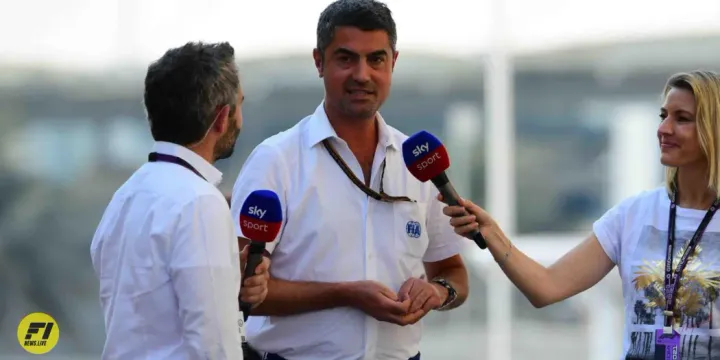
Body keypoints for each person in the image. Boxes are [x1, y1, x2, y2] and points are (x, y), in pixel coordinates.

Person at [229, 1, 469, 359]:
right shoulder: (275, 160)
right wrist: (346, 294)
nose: (362, 74)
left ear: (393, 63)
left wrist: (437, 292)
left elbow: (453, 273)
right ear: (318, 62)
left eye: (376, 59)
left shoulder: (417, 162)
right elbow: (236, 288)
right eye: (346, 58)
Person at [443, 70, 720, 359]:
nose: (664, 128)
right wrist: (492, 233)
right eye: (663, 115)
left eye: (682, 118)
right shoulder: (633, 214)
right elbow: (546, 287)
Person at [90, 41, 270, 360]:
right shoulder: (200, 202)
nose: (240, 118)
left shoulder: (125, 195)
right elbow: (213, 346)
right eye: (239, 105)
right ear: (222, 117)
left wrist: (229, 279)